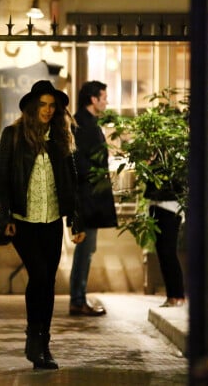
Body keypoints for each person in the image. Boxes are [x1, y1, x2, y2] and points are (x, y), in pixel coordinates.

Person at [0, 80, 85, 370]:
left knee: (48, 282)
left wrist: (75, 219)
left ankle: (42, 343)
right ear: (33, 107)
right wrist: (6, 216)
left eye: (52, 105)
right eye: (43, 105)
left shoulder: (61, 137)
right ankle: (34, 339)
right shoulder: (12, 135)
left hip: (51, 219)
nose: (47, 110)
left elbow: (72, 181)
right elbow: (4, 178)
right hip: (23, 221)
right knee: (40, 275)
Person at [69, 81, 118, 316]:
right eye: (104, 97)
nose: (106, 101)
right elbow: (81, 161)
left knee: (87, 249)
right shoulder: (82, 124)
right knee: (84, 250)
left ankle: (78, 298)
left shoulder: (87, 123)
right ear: (93, 99)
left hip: (91, 196)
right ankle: (77, 300)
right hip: (88, 197)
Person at [145, 180, 186, 307]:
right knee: (162, 253)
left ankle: (178, 295)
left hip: (170, 206)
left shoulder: (174, 162)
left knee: (168, 252)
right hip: (156, 205)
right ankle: (171, 296)